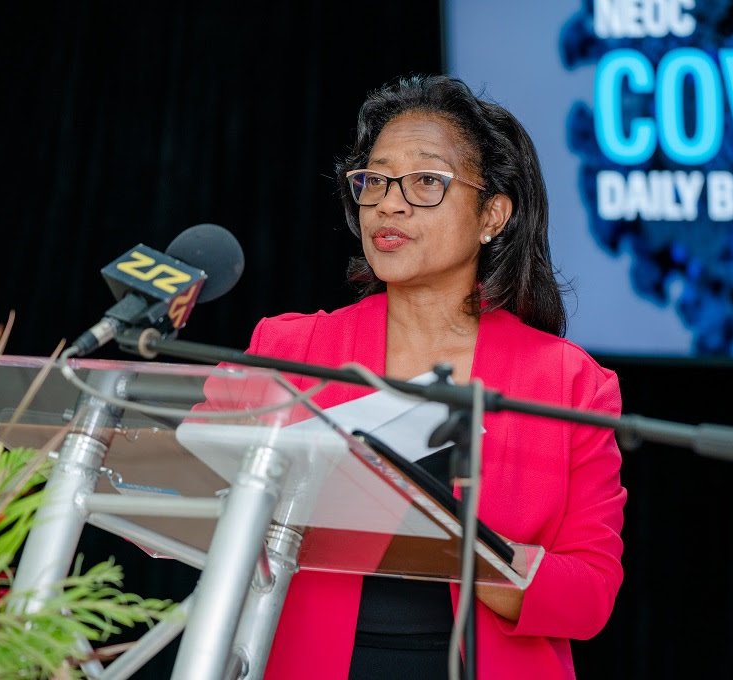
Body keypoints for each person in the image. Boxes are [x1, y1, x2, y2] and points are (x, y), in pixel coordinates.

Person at [251, 74, 626, 680]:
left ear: (492, 215)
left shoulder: (568, 383)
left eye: (426, 181)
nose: (389, 203)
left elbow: (590, 593)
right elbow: (189, 496)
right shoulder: (290, 350)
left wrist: (458, 552)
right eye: (375, 180)